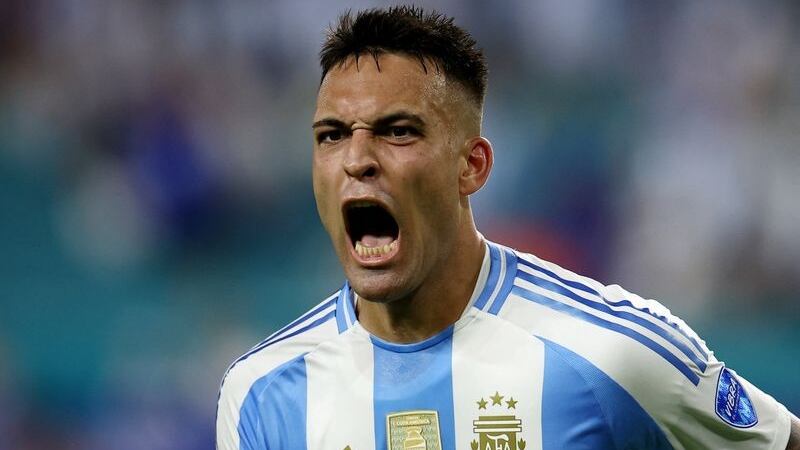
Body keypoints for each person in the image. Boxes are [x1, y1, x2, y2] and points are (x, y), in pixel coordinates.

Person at [216, 6, 799, 450]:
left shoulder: (614, 355)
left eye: (398, 132)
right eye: (331, 135)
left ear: (472, 167)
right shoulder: (261, 394)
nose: (356, 159)